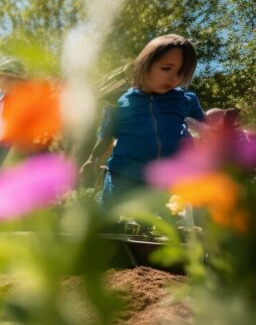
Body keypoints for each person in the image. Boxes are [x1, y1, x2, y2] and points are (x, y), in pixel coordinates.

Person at [81, 34, 204, 205]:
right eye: (166, 68)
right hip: (124, 176)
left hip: (166, 180)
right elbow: (106, 133)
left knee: (160, 223)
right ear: (145, 65)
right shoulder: (121, 101)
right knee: (113, 218)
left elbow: (205, 126)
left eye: (180, 72)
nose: (173, 78)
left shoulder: (184, 100)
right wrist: (91, 159)